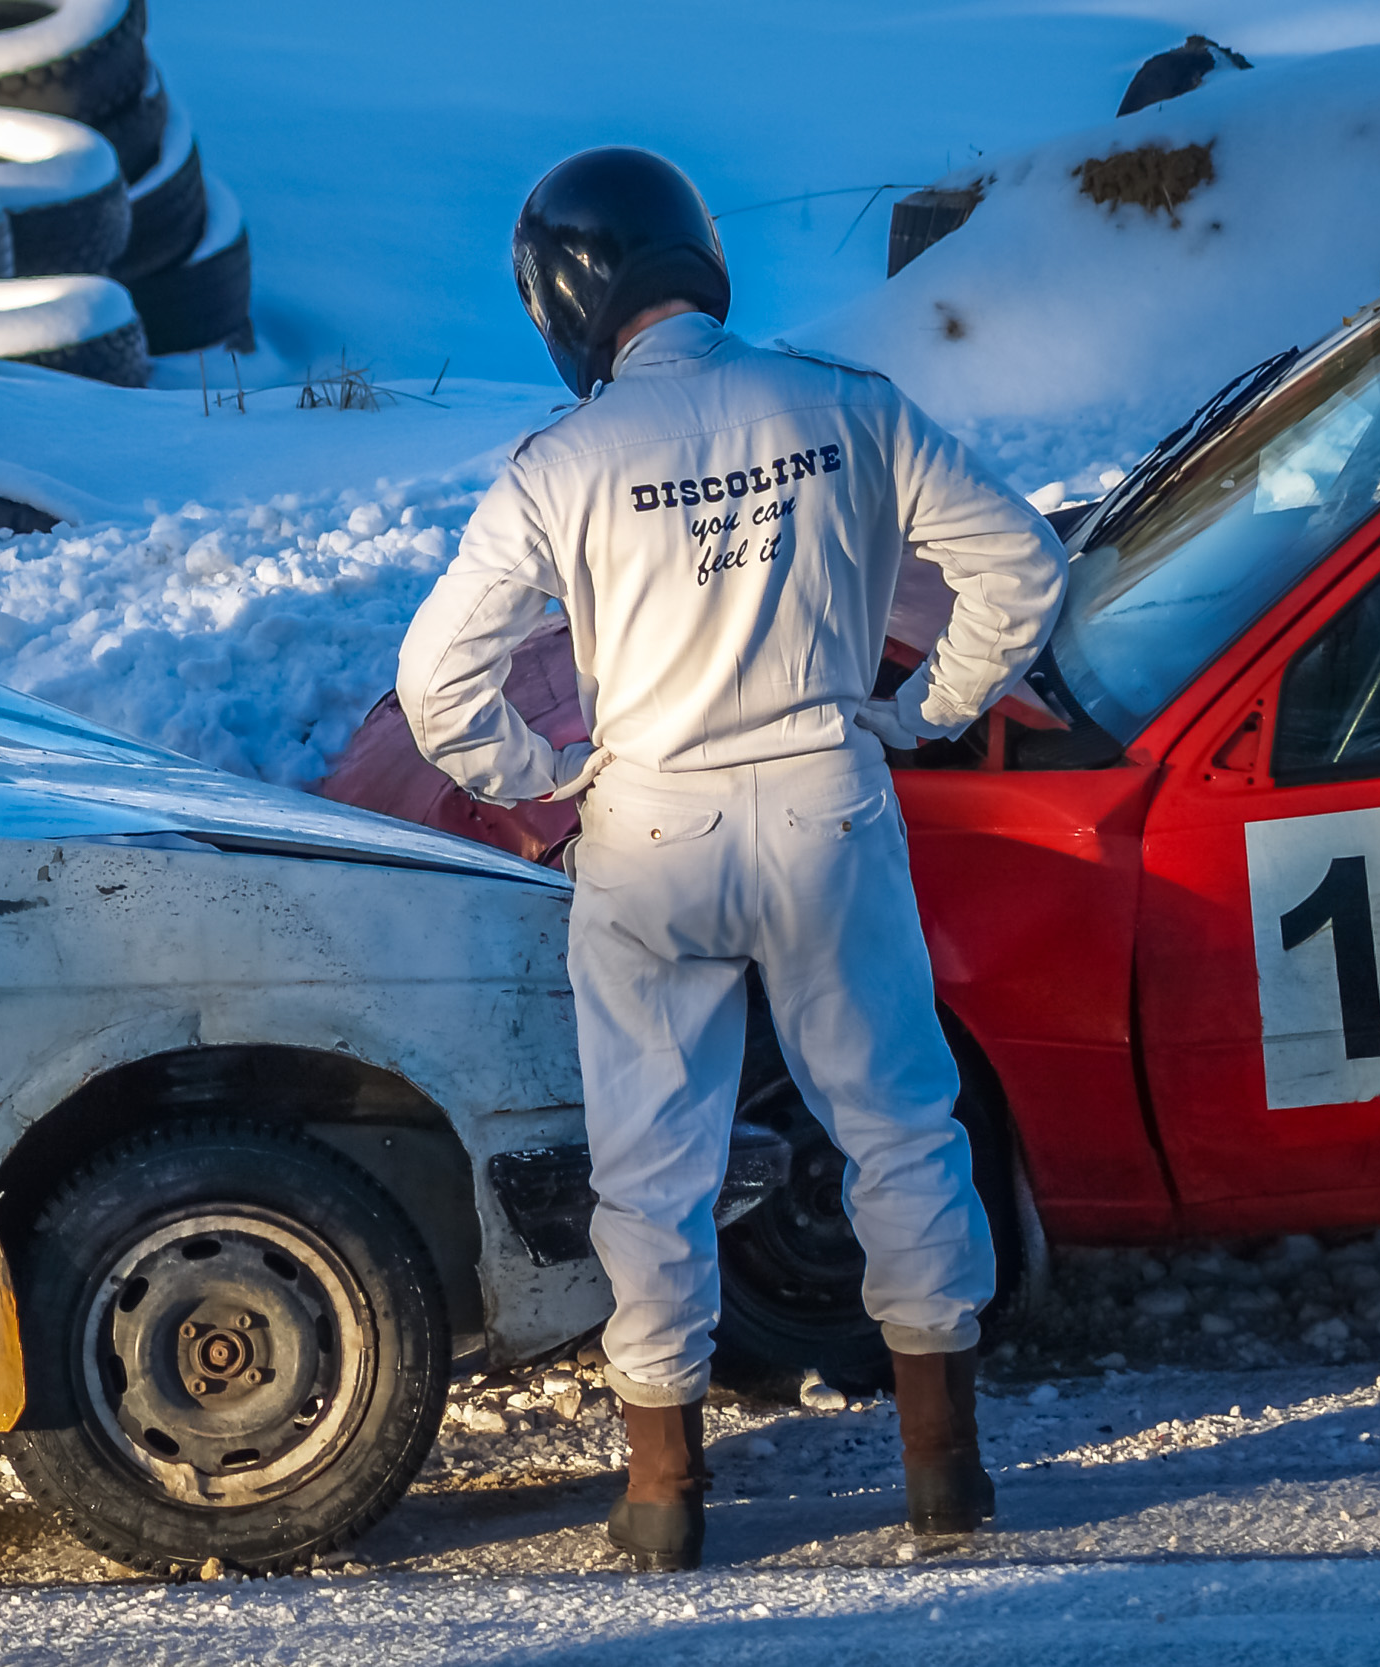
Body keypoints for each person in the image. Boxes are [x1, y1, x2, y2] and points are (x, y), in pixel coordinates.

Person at [395, 147, 1068, 1570]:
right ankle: (944, 1470)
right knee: (900, 1128)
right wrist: (927, 711)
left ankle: (664, 1495)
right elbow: (1024, 567)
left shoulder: (561, 467)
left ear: (561, 299)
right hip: (829, 808)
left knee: (652, 1170)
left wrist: (546, 783)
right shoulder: (848, 405)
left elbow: (439, 685)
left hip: (652, 830)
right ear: (697, 254)